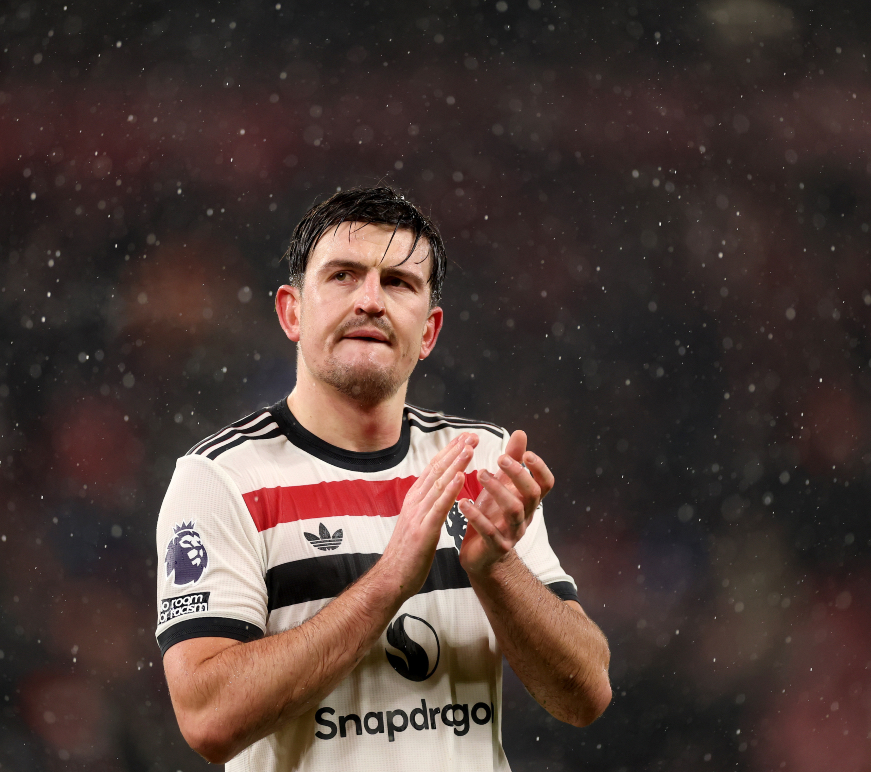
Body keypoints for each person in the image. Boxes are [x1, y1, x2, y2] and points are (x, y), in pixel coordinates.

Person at [154, 186, 611, 770]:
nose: (370, 300)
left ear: (429, 331)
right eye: (344, 275)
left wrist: (497, 569)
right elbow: (208, 720)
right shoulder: (220, 479)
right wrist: (390, 579)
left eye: (398, 283)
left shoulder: (480, 461)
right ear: (292, 312)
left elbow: (585, 694)